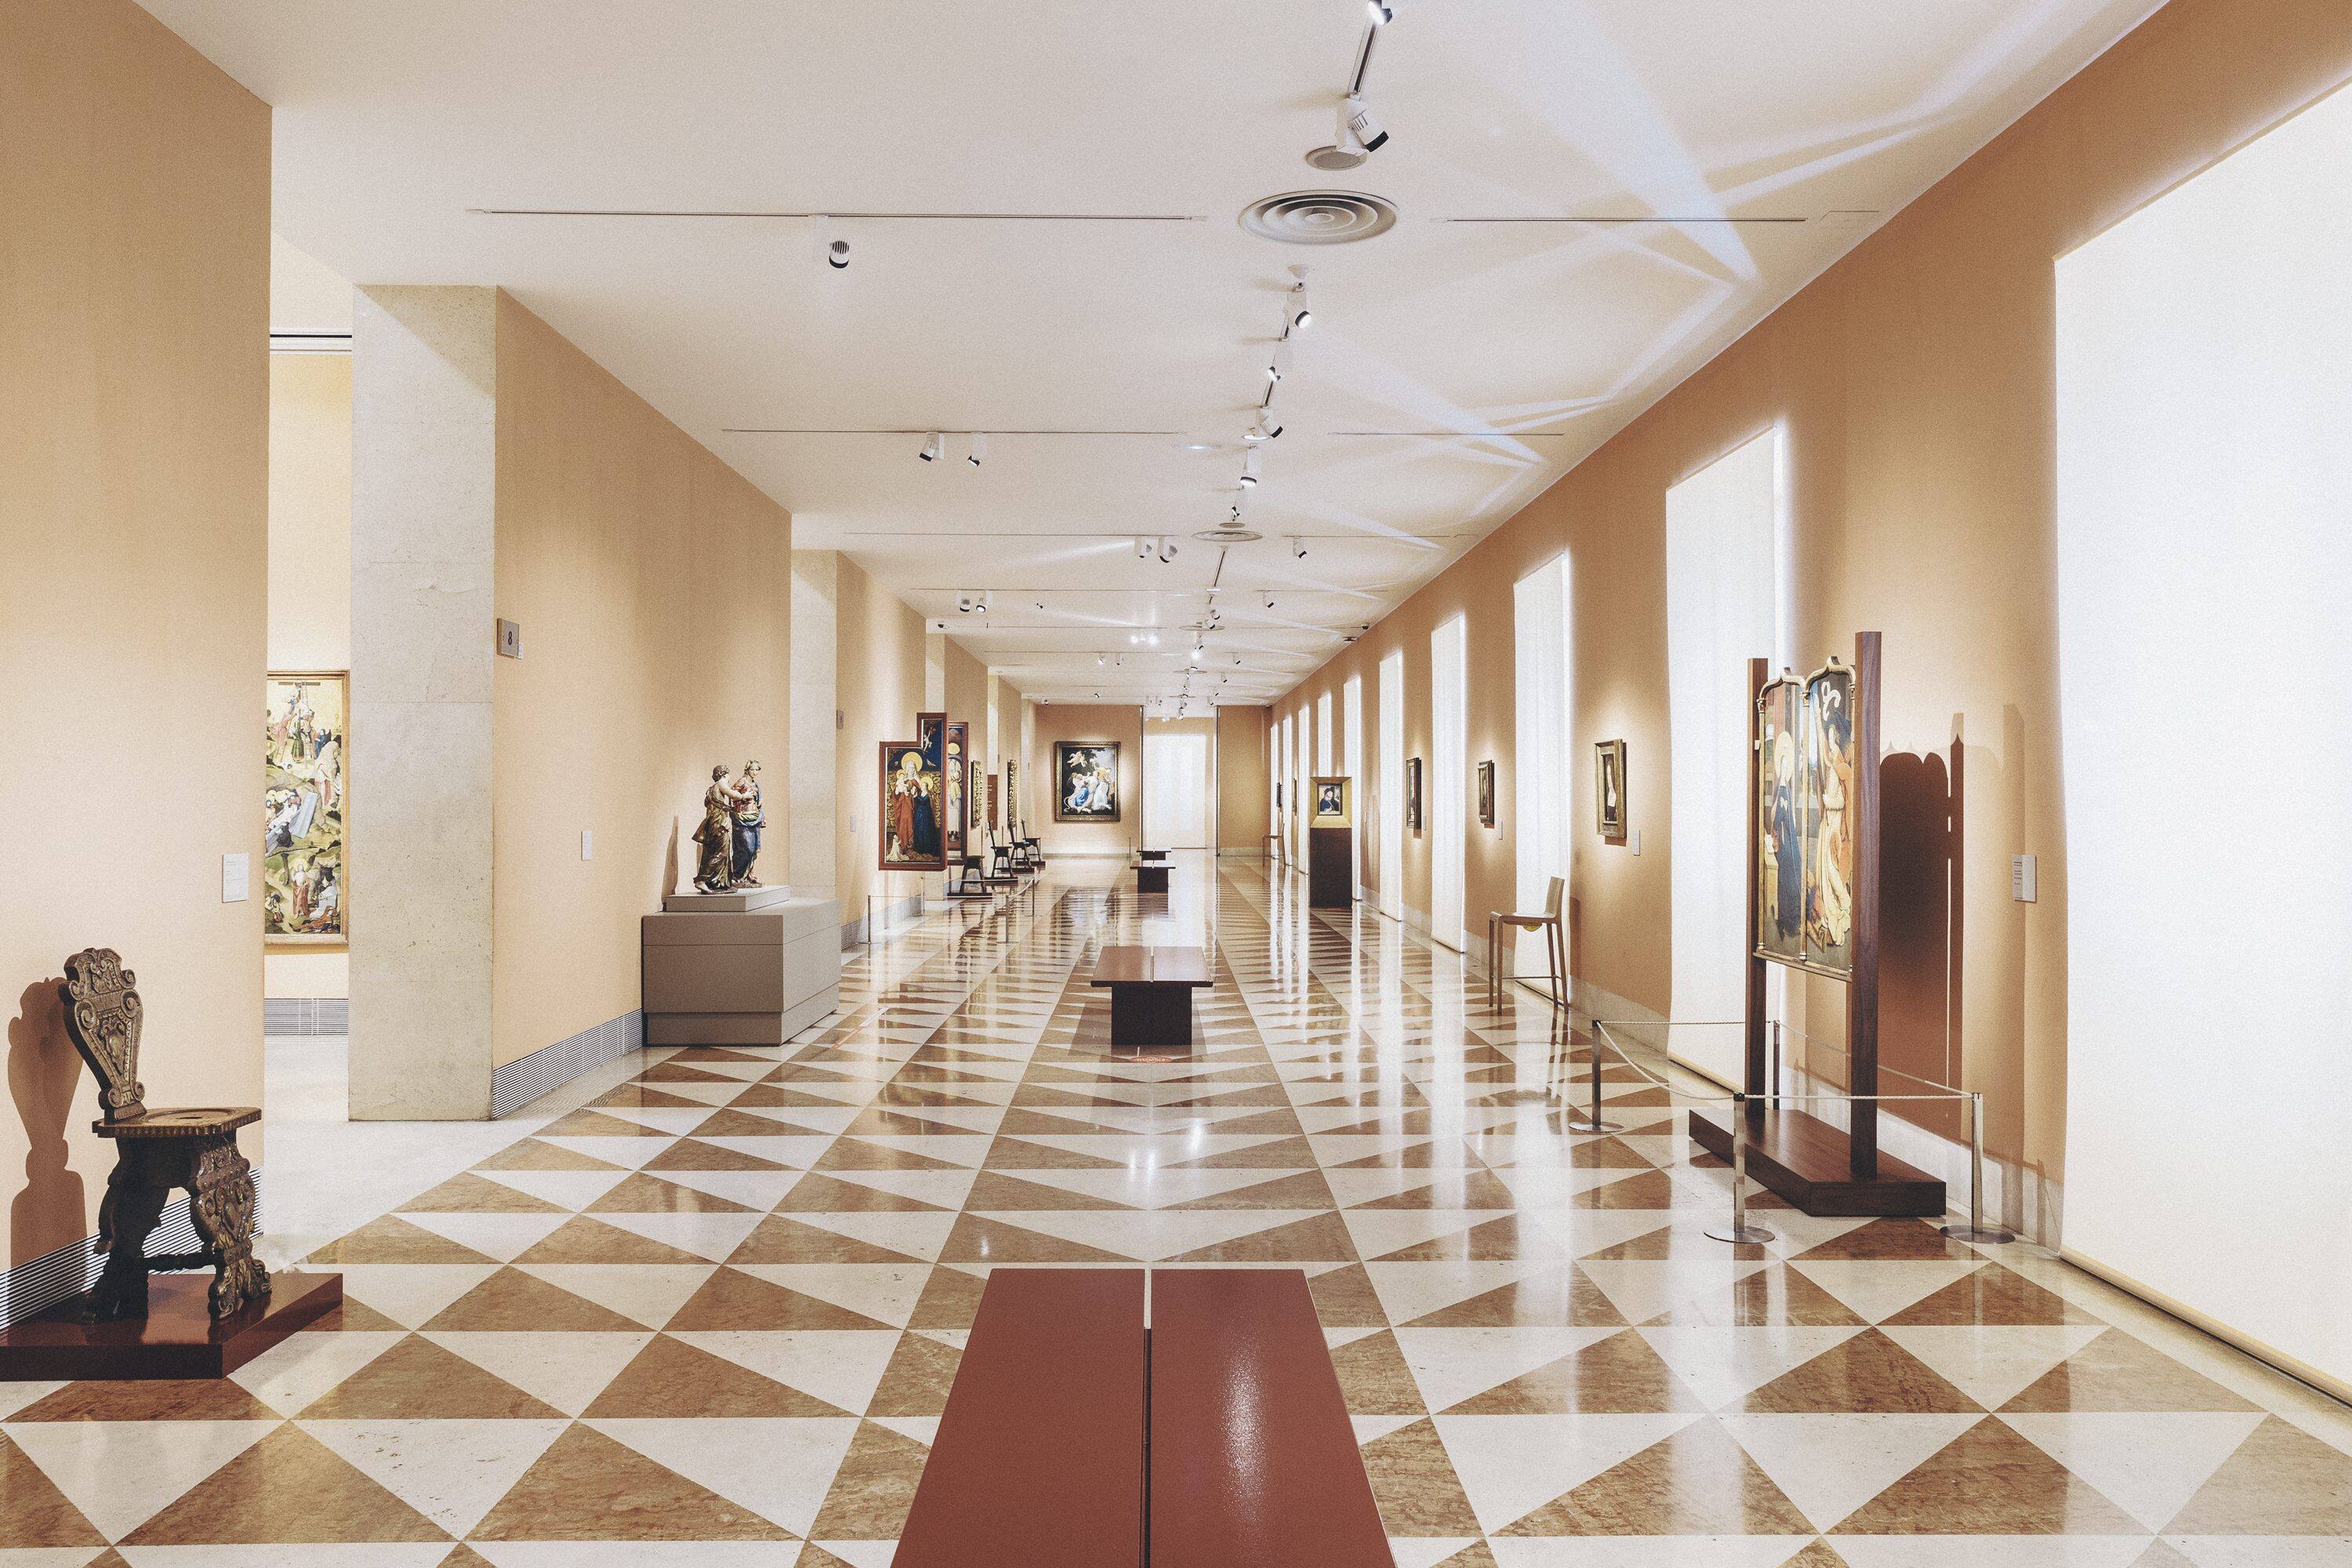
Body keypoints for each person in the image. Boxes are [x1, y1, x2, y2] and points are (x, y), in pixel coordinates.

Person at [692, 764, 735, 891]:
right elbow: (734, 795)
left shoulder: (711, 789)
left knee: (711, 852)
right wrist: (744, 796)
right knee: (721, 851)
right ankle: (702, 880)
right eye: (728, 774)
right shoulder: (721, 784)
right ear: (725, 774)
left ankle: (716, 882)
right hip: (718, 823)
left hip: (713, 823)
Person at [730, 760, 764, 885]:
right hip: (742, 818)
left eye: (757, 770)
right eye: (753, 770)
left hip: (754, 818)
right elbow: (732, 796)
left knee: (754, 849)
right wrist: (743, 796)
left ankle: (748, 875)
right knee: (745, 848)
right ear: (747, 770)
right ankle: (737, 875)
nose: (755, 772)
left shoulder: (756, 784)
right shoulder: (741, 782)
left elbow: (758, 803)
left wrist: (762, 817)